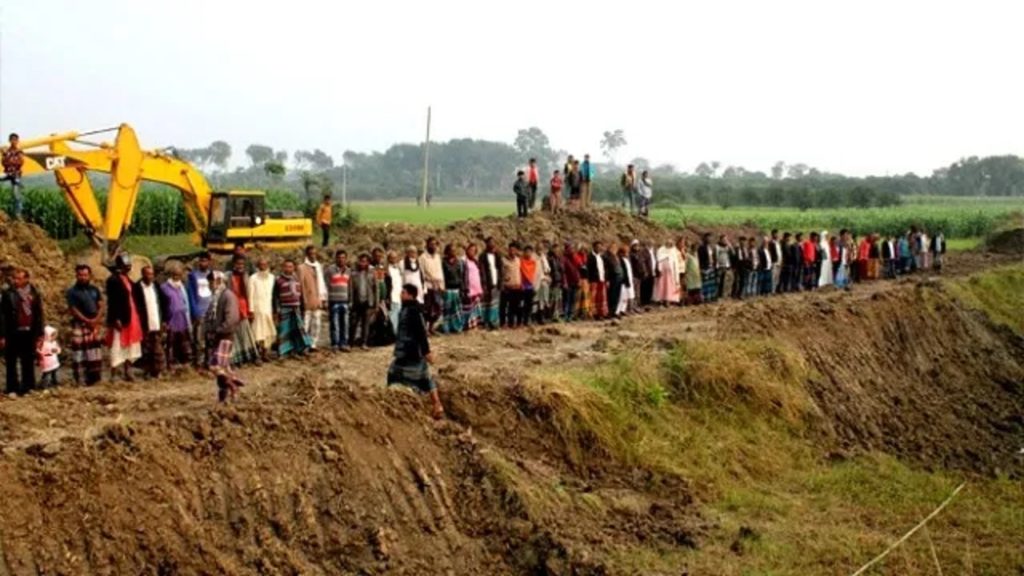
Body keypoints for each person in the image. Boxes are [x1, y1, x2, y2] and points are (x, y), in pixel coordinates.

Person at [387, 284, 444, 419]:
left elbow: (421, 333)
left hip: (411, 351)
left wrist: (426, 352)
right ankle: (433, 404)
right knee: (398, 373)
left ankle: (436, 405)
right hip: (406, 351)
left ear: (410, 295)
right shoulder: (407, 309)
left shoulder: (413, 311)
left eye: (403, 293)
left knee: (420, 376)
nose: (401, 295)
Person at [1, 269, 44, 394]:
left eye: (19, 278)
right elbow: (2, 315)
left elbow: (38, 315)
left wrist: (40, 333)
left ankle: (28, 386)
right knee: (11, 360)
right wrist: (2, 334)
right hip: (13, 331)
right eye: (14, 278)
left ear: (26, 279)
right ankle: (12, 387)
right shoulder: (8, 294)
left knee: (28, 360)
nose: (16, 281)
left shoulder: (34, 294)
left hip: (29, 331)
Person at [206, 271, 243, 403]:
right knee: (224, 368)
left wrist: (219, 330)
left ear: (219, 281)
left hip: (225, 335)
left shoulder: (228, 296)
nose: (210, 284)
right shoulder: (216, 296)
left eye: (212, 281)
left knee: (215, 366)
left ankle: (233, 385)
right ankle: (226, 395)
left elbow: (232, 318)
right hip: (218, 335)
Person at [106, 255, 143, 382]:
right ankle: (114, 374)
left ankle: (128, 371)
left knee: (131, 345)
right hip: (120, 318)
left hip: (131, 317)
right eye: (126, 265)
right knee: (117, 345)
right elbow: (112, 301)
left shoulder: (128, 279)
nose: (129, 267)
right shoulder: (113, 280)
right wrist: (116, 318)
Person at [66, 264, 104, 386]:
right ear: (76, 276)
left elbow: (101, 305)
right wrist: (87, 321)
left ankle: (94, 380)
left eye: (85, 275)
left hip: (94, 323)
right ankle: (80, 380)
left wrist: (96, 320)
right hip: (80, 324)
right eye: (80, 275)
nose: (83, 277)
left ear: (89, 276)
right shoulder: (72, 292)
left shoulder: (94, 290)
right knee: (80, 353)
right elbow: (73, 310)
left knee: (94, 352)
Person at [273, 259, 314, 358]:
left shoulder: (297, 279)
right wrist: (276, 310)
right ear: (283, 267)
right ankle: (283, 352)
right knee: (284, 330)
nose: (288, 269)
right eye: (286, 266)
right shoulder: (278, 280)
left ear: (294, 268)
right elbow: (275, 296)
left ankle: (297, 350)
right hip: (284, 308)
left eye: (290, 267)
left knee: (297, 329)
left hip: (296, 308)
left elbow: (301, 294)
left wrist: (302, 307)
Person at [226, 256, 260, 366]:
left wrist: (250, 309)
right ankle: (237, 359)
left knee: (246, 333)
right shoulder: (228, 276)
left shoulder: (246, 276)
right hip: (232, 307)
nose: (240, 266)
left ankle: (251, 356)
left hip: (244, 306)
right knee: (234, 334)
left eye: (242, 264)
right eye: (238, 264)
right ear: (234, 264)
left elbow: (250, 293)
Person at [133, 265, 165, 379]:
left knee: (157, 349)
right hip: (144, 323)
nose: (150, 276)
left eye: (151, 274)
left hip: (156, 322)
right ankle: (146, 372)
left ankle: (157, 371)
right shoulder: (137, 288)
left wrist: (163, 320)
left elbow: (162, 303)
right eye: (147, 274)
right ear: (143, 274)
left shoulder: (156, 286)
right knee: (146, 349)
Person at [161, 265, 193, 369]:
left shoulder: (181, 287)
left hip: (182, 319)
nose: (177, 277)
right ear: (171, 275)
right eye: (175, 275)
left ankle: (183, 363)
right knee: (170, 342)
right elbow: (162, 304)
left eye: (179, 275)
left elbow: (185, 302)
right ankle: (169, 364)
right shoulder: (164, 287)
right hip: (171, 320)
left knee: (182, 342)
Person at [187, 252, 213, 368]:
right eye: (201, 261)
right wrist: (195, 311)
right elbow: (191, 295)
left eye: (205, 261)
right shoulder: (193, 276)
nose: (203, 263)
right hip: (200, 311)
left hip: (210, 311)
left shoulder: (212, 274)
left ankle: (209, 362)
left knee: (210, 338)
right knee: (199, 339)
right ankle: (199, 363)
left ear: (209, 262)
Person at [247, 257, 276, 360]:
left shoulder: (272, 277)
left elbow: (273, 295)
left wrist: (274, 310)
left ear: (268, 265)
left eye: (265, 264)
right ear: (258, 266)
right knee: (257, 332)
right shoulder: (253, 278)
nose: (263, 266)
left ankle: (265, 353)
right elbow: (250, 295)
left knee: (268, 332)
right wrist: (251, 310)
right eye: (261, 264)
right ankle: (257, 355)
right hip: (257, 309)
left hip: (268, 309)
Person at [299, 246, 327, 350]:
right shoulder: (302, 267)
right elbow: (301, 285)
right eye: (311, 254)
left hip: (317, 299)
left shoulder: (319, 266)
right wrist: (303, 300)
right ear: (307, 254)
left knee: (317, 323)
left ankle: (313, 344)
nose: (313, 256)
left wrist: (323, 298)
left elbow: (322, 283)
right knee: (306, 324)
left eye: (315, 253)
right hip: (307, 299)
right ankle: (304, 344)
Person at [323, 249, 351, 351]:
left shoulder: (349, 271)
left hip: (345, 300)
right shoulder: (330, 270)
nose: (341, 260)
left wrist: (350, 300)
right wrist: (325, 300)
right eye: (339, 258)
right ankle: (335, 343)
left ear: (346, 259)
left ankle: (344, 343)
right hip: (333, 300)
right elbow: (325, 286)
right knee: (334, 324)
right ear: (336, 258)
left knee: (345, 324)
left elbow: (349, 287)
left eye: (343, 258)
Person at [349, 253, 378, 348]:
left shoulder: (372, 273)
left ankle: (364, 342)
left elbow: (376, 289)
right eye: (361, 261)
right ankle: (351, 342)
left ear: (368, 262)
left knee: (366, 324)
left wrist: (376, 304)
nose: (362, 263)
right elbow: (351, 289)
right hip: (357, 301)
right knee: (354, 322)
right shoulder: (354, 273)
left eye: (365, 261)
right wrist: (350, 301)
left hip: (368, 301)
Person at [418, 237, 445, 332]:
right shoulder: (422, 257)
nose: (433, 246)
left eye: (435, 244)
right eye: (431, 244)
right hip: (428, 286)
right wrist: (430, 280)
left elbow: (440, 271)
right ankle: (425, 328)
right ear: (427, 245)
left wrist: (442, 285)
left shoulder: (437, 257)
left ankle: (431, 327)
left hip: (438, 286)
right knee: (428, 308)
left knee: (438, 308)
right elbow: (421, 273)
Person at [440, 244, 465, 333]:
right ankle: (446, 328)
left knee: (456, 310)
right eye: (451, 250)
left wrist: (462, 288)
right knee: (447, 310)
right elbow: (442, 276)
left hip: (456, 289)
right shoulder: (443, 263)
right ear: (447, 252)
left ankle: (457, 327)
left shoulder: (458, 262)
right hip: (448, 289)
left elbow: (460, 276)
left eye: (454, 250)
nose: (453, 252)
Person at [1, 133, 25, 219]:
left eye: (15, 140)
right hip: (8, 173)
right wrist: (5, 156)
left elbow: (20, 162)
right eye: (12, 140)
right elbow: (3, 163)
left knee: (16, 195)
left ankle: (18, 214)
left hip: (16, 175)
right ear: (9, 141)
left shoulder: (19, 152)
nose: (14, 141)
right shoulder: (6, 151)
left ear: (18, 141)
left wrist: (8, 158)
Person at [480, 238, 502, 330]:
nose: (492, 244)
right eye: (490, 243)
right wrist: (484, 284)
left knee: (495, 304)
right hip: (488, 283)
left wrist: (500, 282)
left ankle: (494, 322)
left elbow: (500, 269)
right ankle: (486, 322)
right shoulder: (483, 256)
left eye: (493, 242)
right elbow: (482, 271)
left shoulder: (497, 255)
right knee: (487, 304)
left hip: (496, 282)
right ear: (486, 244)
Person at [500, 242, 522, 328]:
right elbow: (500, 273)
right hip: (507, 287)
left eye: (514, 250)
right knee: (504, 306)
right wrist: (503, 283)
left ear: (516, 251)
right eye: (511, 250)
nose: (512, 252)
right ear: (508, 250)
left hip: (517, 286)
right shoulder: (503, 260)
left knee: (514, 306)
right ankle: (503, 323)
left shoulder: (518, 260)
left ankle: (512, 323)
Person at [463, 243, 485, 330]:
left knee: (476, 308)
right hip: (469, 288)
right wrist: (465, 288)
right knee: (469, 308)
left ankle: (474, 324)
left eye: (474, 251)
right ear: (467, 250)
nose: (472, 252)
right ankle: (468, 325)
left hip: (476, 288)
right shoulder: (464, 261)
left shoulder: (476, 262)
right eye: (471, 250)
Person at [655, 239, 681, 305]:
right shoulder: (661, 250)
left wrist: (676, 272)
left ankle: (668, 300)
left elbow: (675, 262)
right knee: (662, 286)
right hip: (662, 273)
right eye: (668, 243)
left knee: (669, 287)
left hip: (671, 273)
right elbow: (659, 259)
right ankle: (661, 300)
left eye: (670, 243)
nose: (669, 244)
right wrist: (659, 269)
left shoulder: (673, 250)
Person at [587, 241, 609, 320]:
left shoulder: (601, 257)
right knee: (593, 297)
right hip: (594, 280)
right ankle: (593, 314)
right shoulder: (590, 257)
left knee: (601, 297)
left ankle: (601, 313)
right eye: (597, 247)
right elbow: (589, 269)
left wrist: (606, 279)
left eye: (600, 247)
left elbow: (604, 269)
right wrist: (589, 279)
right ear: (594, 247)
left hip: (601, 279)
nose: (599, 248)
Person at [519, 245, 538, 326]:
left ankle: (527, 320)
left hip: (530, 286)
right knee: (522, 305)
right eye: (526, 252)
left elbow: (535, 274)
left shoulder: (533, 263)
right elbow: (520, 273)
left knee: (529, 304)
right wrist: (521, 284)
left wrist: (534, 285)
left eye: (530, 252)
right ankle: (521, 320)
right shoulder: (521, 262)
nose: (528, 253)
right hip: (523, 286)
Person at [560, 242, 580, 321]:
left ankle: (571, 315)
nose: (571, 250)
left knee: (573, 299)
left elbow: (578, 267)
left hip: (575, 281)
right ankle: (565, 315)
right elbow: (563, 272)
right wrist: (565, 282)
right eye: (570, 248)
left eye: (572, 248)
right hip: (568, 282)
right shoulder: (564, 258)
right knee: (567, 299)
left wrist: (578, 280)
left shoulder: (574, 257)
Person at [604, 241, 624, 319]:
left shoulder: (616, 256)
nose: (614, 249)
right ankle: (610, 312)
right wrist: (607, 279)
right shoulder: (606, 256)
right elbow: (606, 269)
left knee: (617, 296)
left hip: (619, 278)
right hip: (612, 278)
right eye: (612, 247)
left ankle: (615, 311)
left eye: (615, 247)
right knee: (611, 296)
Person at [386, 250, 404, 330]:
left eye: (395, 257)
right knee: (393, 316)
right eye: (392, 258)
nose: (394, 259)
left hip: (399, 295)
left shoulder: (398, 269)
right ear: (389, 259)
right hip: (392, 296)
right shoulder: (387, 270)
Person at [547, 243, 565, 322]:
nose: (557, 251)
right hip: (553, 281)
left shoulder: (559, 259)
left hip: (559, 281)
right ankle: (552, 315)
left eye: (558, 250)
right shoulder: (550, 259)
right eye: (555, 250)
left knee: (558, 299)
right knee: (553, 299)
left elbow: (561, 270)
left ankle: (556, 315)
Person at [697, 233, 718, 303]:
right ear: (705, 239)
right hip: (704, 268)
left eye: (710, 238)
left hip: (711, 267)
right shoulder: (701, 248)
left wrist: (714, 264)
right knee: (705, 284)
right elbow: (699, 259)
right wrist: (701, 268)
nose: (710, 239)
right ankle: (705, 298)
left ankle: (711, 297)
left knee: (711, 283)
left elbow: (713, 257)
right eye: (708, 238)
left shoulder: (711, 248)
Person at [617, 245, 635, 315]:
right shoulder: (620, 260)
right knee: (622, 297)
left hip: (629, 280)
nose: (627, 254)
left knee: (627, 296)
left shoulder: (627, 260)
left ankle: (623, 310)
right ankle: (619, 311)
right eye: (626, 252)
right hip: (624, 281)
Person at [715, 235, 732, 300]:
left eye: (726, 239)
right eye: (724, 239)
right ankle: (716, 296)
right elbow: (716, 256)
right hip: (719, 266)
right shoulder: (717, 246)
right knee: (718, 282)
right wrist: (717, 265)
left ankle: (721, 295)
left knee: (723, 282)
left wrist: (730, 246)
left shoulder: (727, 247)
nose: (725, 241)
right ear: (720, 240)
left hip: (725, 266)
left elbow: (733, 253)